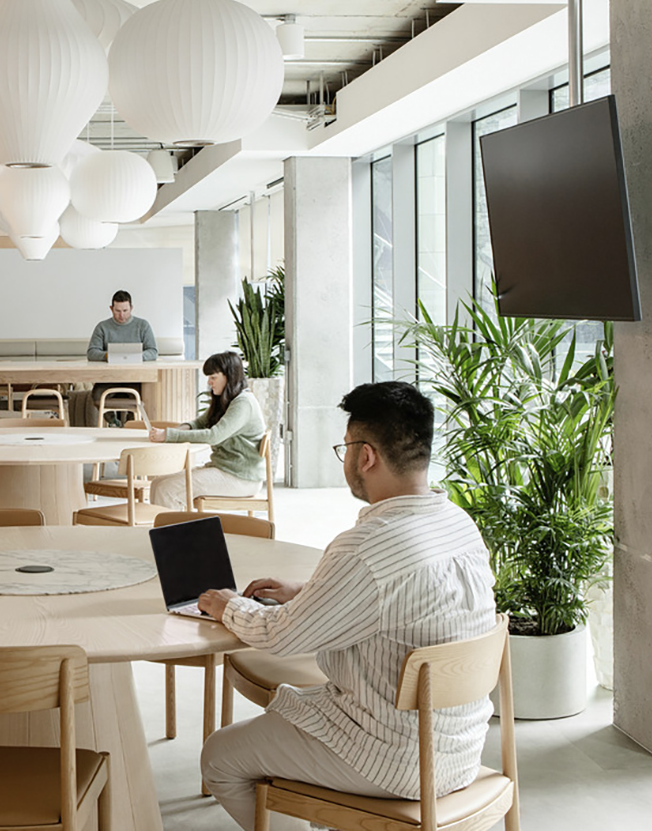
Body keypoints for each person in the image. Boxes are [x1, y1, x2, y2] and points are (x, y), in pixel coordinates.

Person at [196, 382, 497, 831]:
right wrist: (309, 592)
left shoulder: (366, 548)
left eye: (346, 448)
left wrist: (228, 606)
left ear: (366, 456)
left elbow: (281, 638)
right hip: (462, 748)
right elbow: (408, 604)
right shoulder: (458, 524)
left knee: (219, 755)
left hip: (392, 759)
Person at [148, 351, 265, 509]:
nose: (209, 382)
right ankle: (162, 531)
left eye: (213, 377)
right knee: (157, 483)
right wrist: (178, 430)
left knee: (166, 489)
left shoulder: (243, 403)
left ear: (228, 376)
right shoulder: (227, 400)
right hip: (225, 469)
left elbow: (214, 436)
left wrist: (169, 435)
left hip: (241, 478)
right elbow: (199, 423)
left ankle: (174, 534)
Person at [86, 290, 158, 362]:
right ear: (111, 309)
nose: (121, 315)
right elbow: (92, 353)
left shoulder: (143, 325)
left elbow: (153, 352)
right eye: (117, 311)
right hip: (109, 370)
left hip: (137, 369)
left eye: (125, 310)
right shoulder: (102, 327)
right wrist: (109, 356)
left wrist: (134, 357)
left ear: (131, 308)